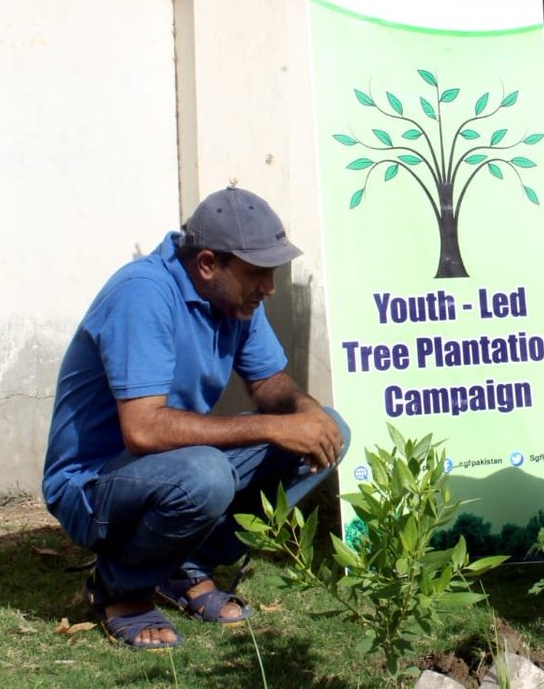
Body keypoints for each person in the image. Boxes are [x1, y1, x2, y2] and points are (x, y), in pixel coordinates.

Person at [42, 186, 349, 649]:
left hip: (173, 468)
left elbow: (269, 383)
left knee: (329, 429)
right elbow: (143, 430)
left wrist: (302, 412)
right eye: (258, 274)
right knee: (206, 474)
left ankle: (185, 566)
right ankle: (120, 588)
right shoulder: (142, 295)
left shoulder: (234, 299)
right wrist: (273, 426)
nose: (269, 287)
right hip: (93, 487)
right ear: (208, 264)